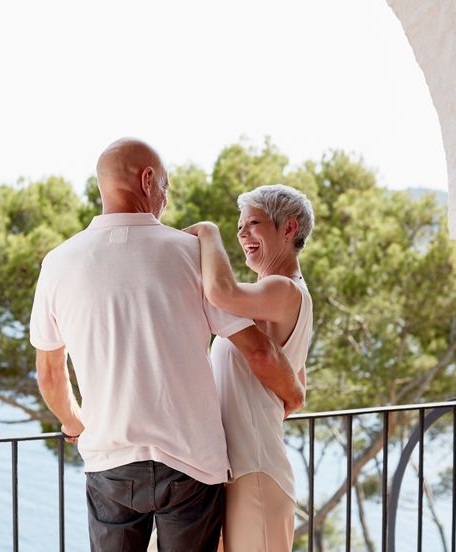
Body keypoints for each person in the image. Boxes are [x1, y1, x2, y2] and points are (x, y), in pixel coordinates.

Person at [29, 138, 305, 552]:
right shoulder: (189, 252)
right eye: (165, 185)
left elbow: (51, 376)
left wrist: (74, 423)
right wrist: (293, 392)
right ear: (147, 179)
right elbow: (259, 351)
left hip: (111, 463)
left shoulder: (58, 263)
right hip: (192, 466)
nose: (166, 196)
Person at [183, 184, 315, 552]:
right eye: (238, 226)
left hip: (254, 473)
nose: (241, 234)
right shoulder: (271, 300)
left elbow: (220, 292)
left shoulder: (283, 289)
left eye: (253, 223)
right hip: (240, 469)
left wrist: (208, 232)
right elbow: (297, 390)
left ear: (289, 229)